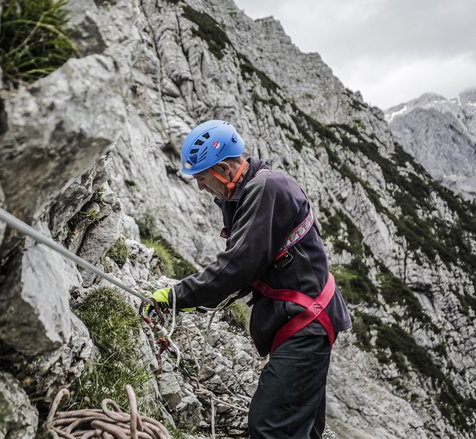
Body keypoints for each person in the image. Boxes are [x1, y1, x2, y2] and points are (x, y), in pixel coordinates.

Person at [148, 120, 352, 439]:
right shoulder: (246, 193)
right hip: (302, 321)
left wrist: (175, 297)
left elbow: (237, 267)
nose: (200, 187)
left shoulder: (265, 188)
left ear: (226, 169)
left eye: (202, 177)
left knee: (269, 426)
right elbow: (247, 266)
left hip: (304, 324)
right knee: (304, 427)